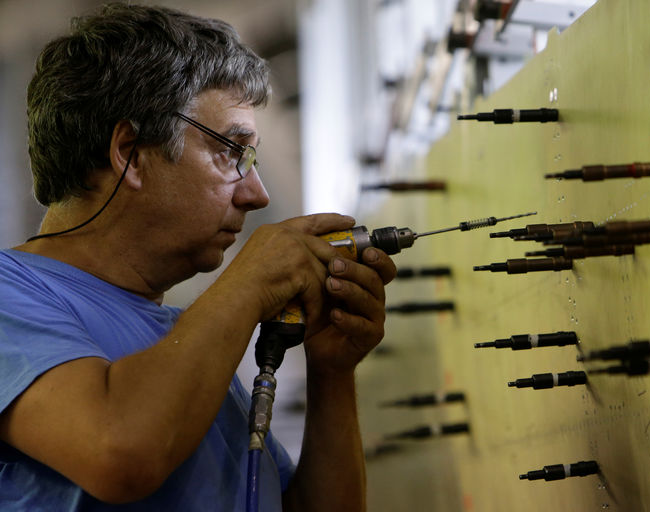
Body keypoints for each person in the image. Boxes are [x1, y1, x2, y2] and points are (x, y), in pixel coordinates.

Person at [0, 3, 395, 511]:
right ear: (131, 151)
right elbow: (119, 451)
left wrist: (332, 372)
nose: (257, 194)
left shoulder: (180, 342)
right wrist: (250, 281)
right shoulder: (10, 293)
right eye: (233, 151)